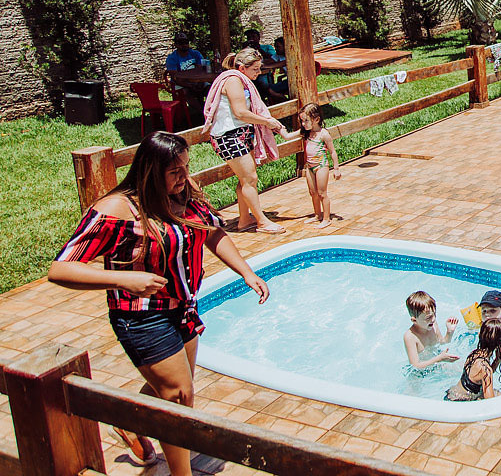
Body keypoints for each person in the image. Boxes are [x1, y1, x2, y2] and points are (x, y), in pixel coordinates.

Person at [47, 131, 269, 476]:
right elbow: (61, 269)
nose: (184, 177)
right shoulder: (117, 210)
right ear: (150, 171)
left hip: (183, 307)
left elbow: (211, 231)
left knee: (168, 389)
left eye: (186, 167)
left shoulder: (184, 194)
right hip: (141, 317)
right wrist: (123, 279)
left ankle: (128, 425)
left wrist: (246, 272)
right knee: (179, 395)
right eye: (174, 171)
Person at [202, 48, 286, 233]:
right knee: (250, 178)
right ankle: (262, 222)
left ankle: (244, 220)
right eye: (255, 69)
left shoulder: (241, 80)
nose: (259, 73)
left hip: (241, 133)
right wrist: (267, 121)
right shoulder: (233, 81)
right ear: (242, 68)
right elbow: (240, 112)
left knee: (245, 179)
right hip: (228, 136)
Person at [280, 103, 341, 228]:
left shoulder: (323, 134)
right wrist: (279, 127)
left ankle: (326, 218)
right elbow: (287, 137)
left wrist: (336, 169)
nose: (303, 124)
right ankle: (317, 215)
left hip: (321, 166)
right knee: (313, 192)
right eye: (302, 121)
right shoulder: (305, 132)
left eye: (306, 121)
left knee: (322, 193)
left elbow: (332, 152)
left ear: (316, 119)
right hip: (310, 167)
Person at [444, 318, 501, 401]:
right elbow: (490, 401)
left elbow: (480, 377)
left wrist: (497, 360)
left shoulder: (474, 354)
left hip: (452, 395)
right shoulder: (485, 369)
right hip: (461, 402)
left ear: (479, 335)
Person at [403, 290, 459, 369]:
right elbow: (415, 366)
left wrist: (449, 332)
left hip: (437, 363)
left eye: (434, 314)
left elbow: (442, 342)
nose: (433, 319)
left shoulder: (432, 325)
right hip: (421, 372)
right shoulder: (410, 337)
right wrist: (439, 359)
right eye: (428, 317)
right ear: (414, 320)